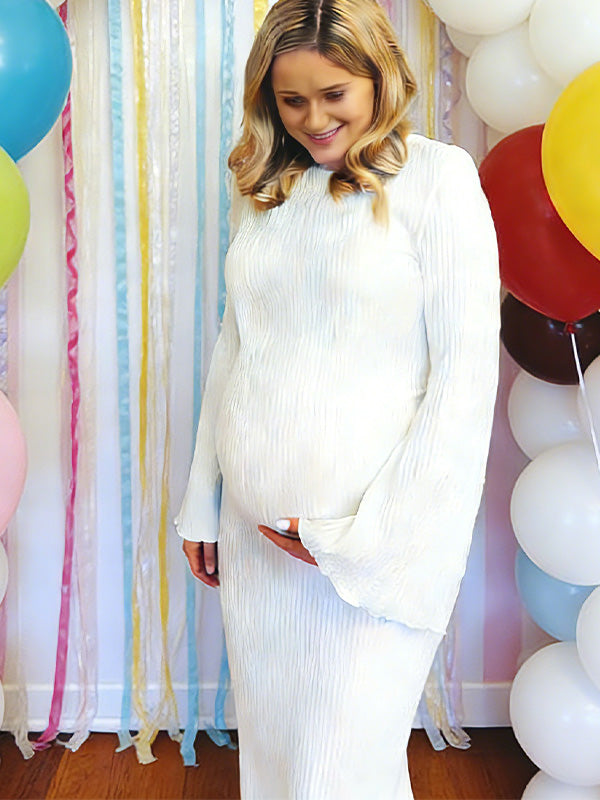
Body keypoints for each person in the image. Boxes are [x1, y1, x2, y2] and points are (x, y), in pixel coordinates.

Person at [175, 0, 499, 796]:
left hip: (367, 545)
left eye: (334, 94)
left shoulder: (438, 180)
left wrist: (367, 538)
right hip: (257, 541)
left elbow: (464, 380)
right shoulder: (267, 191)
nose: (314, 120)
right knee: (278, 768)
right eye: (292, 100)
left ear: (379, 79)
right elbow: (235, 346)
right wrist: (201, 503)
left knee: (340, 773)